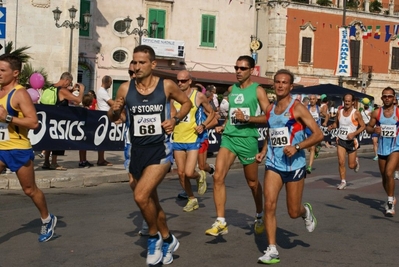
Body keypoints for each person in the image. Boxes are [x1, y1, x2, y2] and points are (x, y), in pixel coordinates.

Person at [108, 45, 191, 265]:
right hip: (136, 151)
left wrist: (175, 120)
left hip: (160, 150)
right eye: (134, 62)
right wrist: (115, 109)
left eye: (141, 62)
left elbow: (187, 103)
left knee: (140, 196)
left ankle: (153, 238)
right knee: (151, 202)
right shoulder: (125, 89)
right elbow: (113, 116)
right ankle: (168, 238)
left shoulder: (166, 86)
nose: (136, 66)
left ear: (153, 64)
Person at [256, 69, 323, 264]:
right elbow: (273, 133)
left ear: (290, 86)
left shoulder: (297, 108)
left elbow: (318, 135)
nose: (280, 85)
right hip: (274, 164)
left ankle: (305, 212)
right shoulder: (270, 109)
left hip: (295, 165)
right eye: (277, 82)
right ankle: (272, 249)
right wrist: (264, 150)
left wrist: (297, 147)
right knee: (269, 204)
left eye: (284, 82)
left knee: (293, 212)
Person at [205, 55, 270, 236]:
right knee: (218, 176)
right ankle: (220, 222)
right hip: (229, 138)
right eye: (236, 68)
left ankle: (259, 214)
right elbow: (233, 113)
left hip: (248, 140)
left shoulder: (258, 90)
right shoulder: (231, 89)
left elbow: (269, 116)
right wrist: (224, 125)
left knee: (252, 183)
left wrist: (248, 118)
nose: (238, 71)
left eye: (242, 68)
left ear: (251, 70)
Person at [0, 54, 57, 242]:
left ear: (15, 73)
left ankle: (47, 219)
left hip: (17, 148)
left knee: (29, 190)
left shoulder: (20, 93)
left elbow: (34, 123)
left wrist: (7, 118)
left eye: (2, 70)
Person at [172, 70, 215, 212]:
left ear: (190, 81)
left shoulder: (198, 96)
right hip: (177, 138)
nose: (180, 83)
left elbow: (212, 113)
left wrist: (203, 125)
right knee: (181, 173)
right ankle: (192, 199)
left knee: (190, 173)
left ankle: (200, 175)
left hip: (192, 138)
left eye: (183, 81)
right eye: (178, 80)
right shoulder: (173, 97)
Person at [41, 72, 85, 170]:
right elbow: (78, 100)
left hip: (48, 118)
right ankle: (54, 163)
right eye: (69, 83)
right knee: (57, 139)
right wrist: (81, 90)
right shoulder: (62, 90)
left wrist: (71, 90)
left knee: (49, 139)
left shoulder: (50, 88)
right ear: (66, 80)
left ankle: (46, 162)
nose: (68, 85)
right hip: (58, 120)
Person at [366, 87, 398, 216]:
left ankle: (390, 203)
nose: (387, 98)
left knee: (389, 173)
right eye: (385, 96)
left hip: (396, 147)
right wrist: (374, 130)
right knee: (384, 177)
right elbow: (368, 128)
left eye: (390, 96)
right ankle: (392, 196)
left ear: (394, 98)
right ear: (381, 98)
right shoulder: (376, 113)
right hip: (382, 149)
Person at [327, 93, 366, 190]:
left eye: (349, 101)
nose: (347, 103)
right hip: (341, 140)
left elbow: (363, 126)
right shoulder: (340, 112)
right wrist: (331, 127)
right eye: (346, 101)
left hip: (351, 141)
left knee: (351, 166)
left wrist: (354, 134)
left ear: (353, 102)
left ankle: (356, 162)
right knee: (341, 162)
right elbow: (336, 124)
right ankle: (343, 181)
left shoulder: (356, 113)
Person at [305, 94, 328, 174]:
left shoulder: (319, 109)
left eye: (313, 99)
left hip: (315, 131)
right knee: (308, 148)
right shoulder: (306, 108)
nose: (311, 100)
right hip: (307, 130)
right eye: (310, 99)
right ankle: (317, 148)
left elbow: (327, 115)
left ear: (316, 100)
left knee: (311, 148)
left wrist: (325, 122)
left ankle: (309, 166)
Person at [96, 75, 114, 166]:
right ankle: (101, 159)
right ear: (106, 82)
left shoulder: (102, 91)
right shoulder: (102, 92)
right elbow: (111, 103)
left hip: (105, 115)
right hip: (104, 116)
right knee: (103, 138)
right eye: (110, 83)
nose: (111, 85)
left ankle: (101, 159)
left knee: (103, 139)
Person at [78, 93, 95, 168]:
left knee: (83, 147)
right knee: (83, 147)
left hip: (83, 129)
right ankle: (82, 161)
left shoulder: (82, 109)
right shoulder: (86, 111)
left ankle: (83, 160)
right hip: (84, 129)